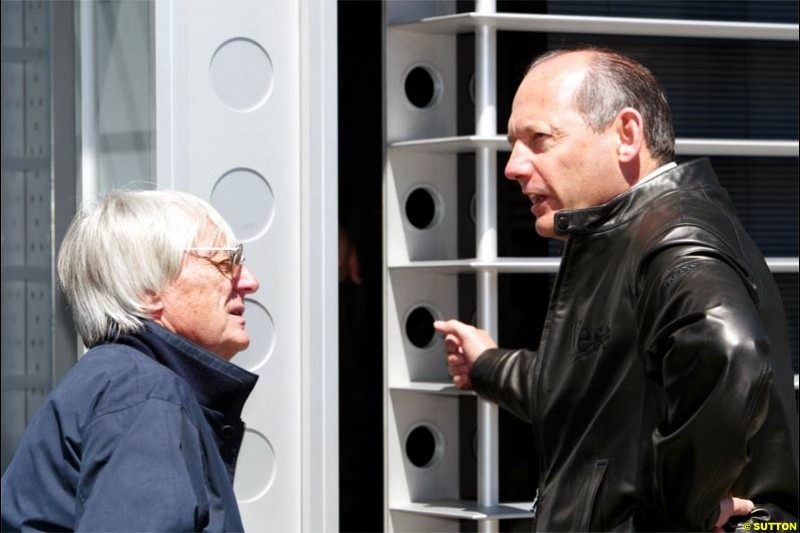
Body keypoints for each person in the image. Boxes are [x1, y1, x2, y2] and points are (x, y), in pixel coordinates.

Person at [434, 48, 799, 531]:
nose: (513, 166)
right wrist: (487, 365)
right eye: (512, 144)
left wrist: (689, 507)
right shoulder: (624, 234)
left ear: (626, 136)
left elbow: (729, 350)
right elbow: (593, 390)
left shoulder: (675, 239)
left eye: (538, 139)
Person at [1, 190, 260, 531]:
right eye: (226, 261)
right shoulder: (144, 395)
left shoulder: (119, 381)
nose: (249, 282)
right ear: (149, 291)